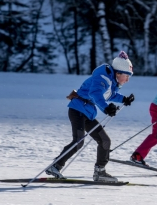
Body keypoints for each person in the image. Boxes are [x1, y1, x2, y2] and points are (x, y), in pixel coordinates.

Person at [46, 51, 135, 182]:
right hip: (77, 110)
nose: (127, 80)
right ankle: (55, 166)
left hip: (87, 113)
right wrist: (106, 108)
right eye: (127, 76)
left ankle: (100, 172)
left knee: (105, 140)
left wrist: (124, 99)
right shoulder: (102, 77)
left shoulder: (111, 81)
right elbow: (95, 94)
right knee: (79, 141)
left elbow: (109, 95)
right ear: (118, 73)